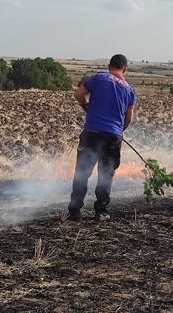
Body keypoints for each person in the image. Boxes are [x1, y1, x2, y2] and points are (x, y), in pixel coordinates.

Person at [68, 54, 136, 221]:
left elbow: (78, 94)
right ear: (125, 69)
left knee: (82, 172)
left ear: (109, 66)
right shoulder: (129, 90)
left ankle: (75, 211)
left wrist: (86, 106)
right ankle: (101, 212)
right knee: (106, 173)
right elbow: (128, 118)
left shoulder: (99, 78)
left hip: (91, 133)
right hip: (112, 135)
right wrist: (119, 131)